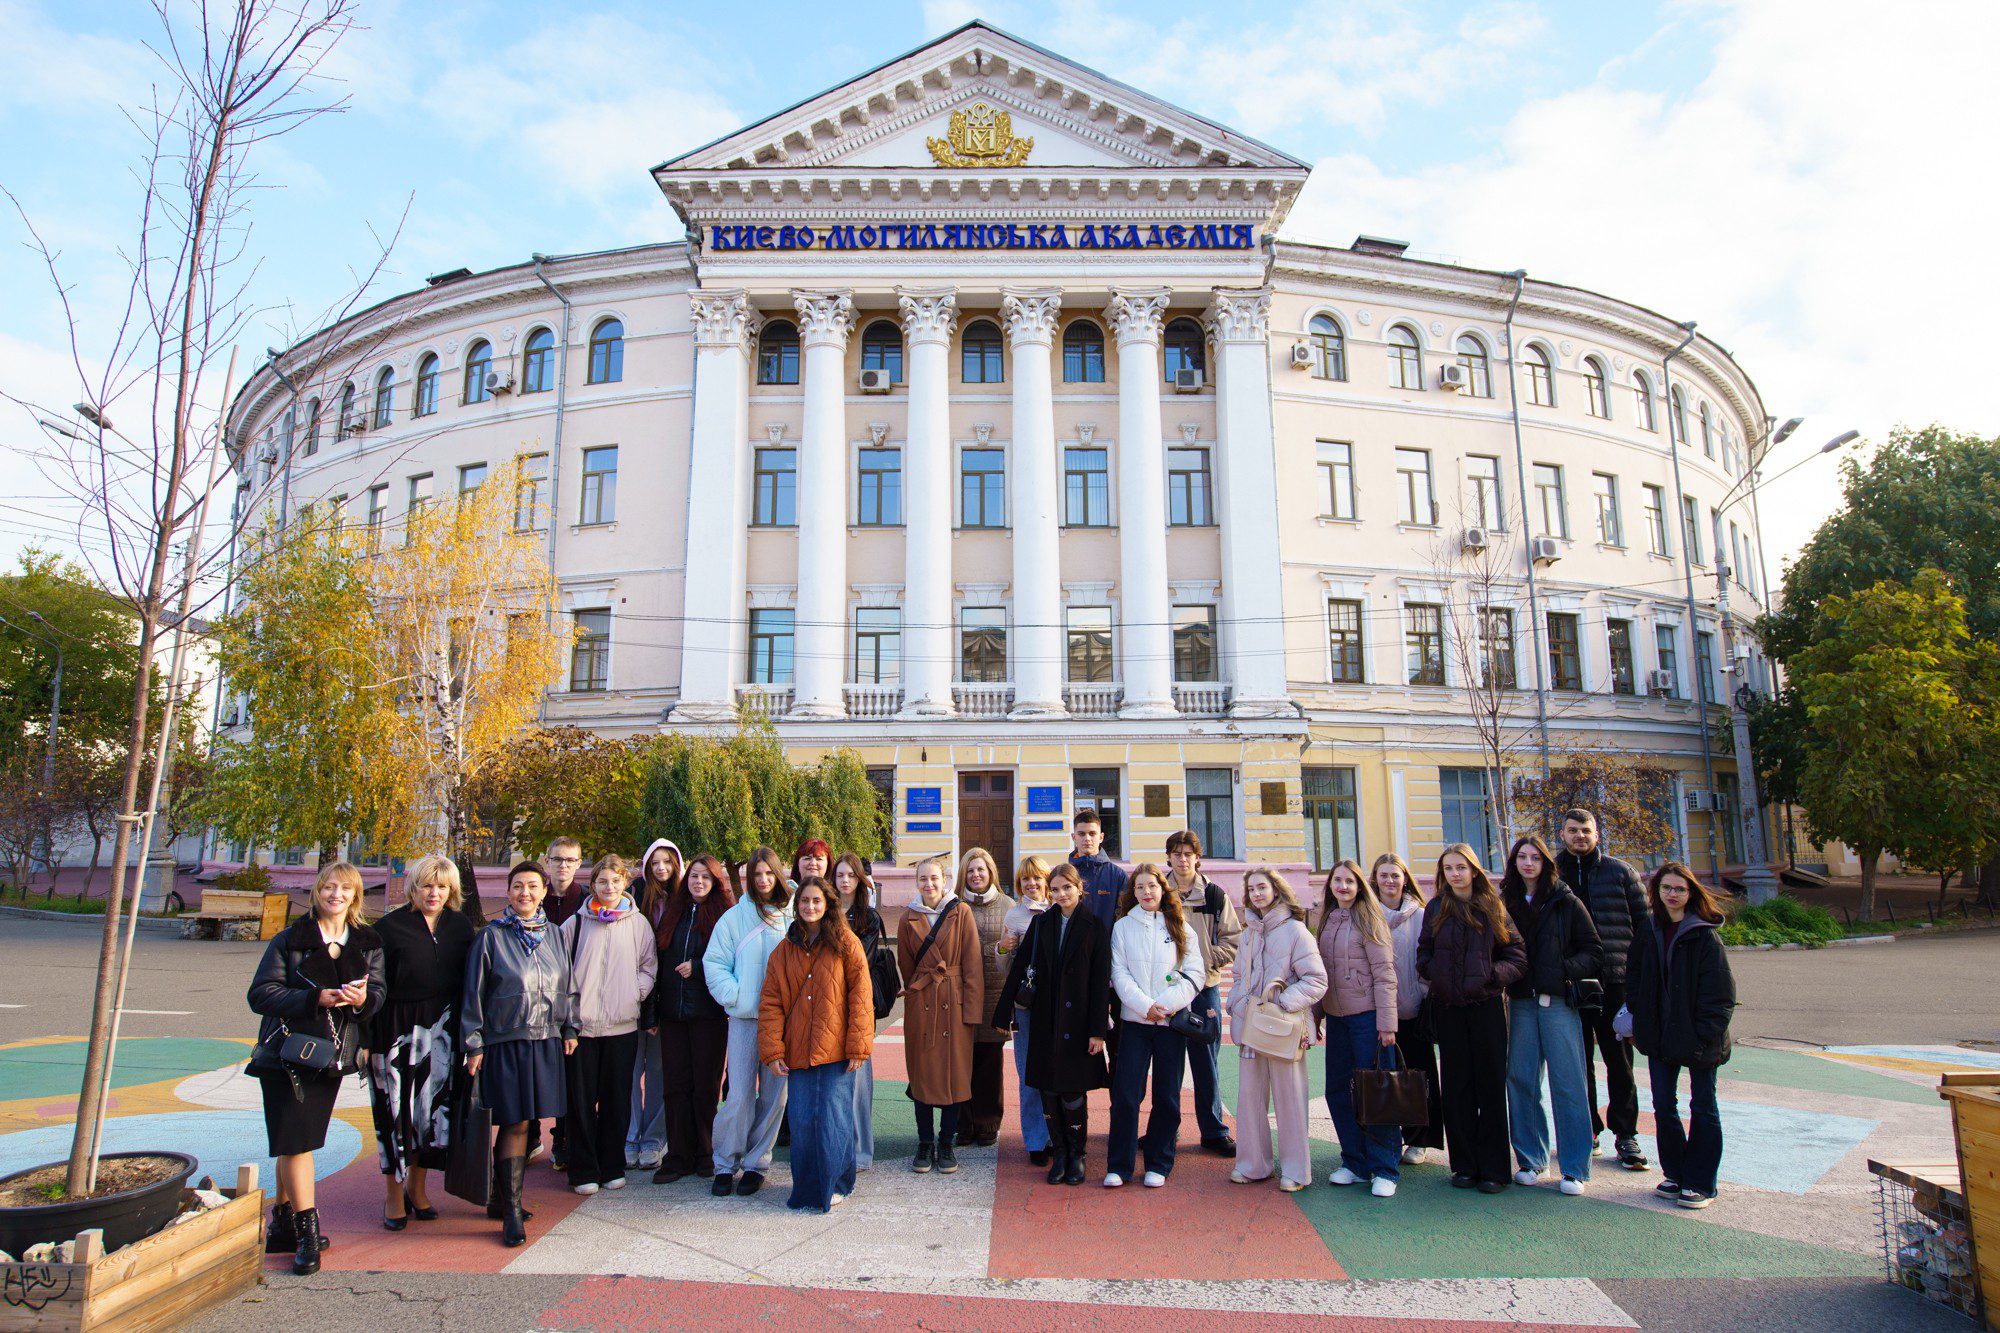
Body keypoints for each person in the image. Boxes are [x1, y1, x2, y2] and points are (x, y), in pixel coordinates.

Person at [248, 861, 385, 1273]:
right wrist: (314, 999)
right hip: (287, 1055)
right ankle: (307, 1235)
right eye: (328, 887)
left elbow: (378, 993)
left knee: (296, 1140)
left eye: (344, 889)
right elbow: (261, 994)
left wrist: (361, 1000)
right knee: (296, 1143)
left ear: (355, 895)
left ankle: (282, 1224)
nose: (335, 895)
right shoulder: (291, 940)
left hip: (330, 1056)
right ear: (316, 892)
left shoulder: (367, 941)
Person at [463, 860, 577, 1247]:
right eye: (517, 886)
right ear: (508, 892)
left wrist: (570, 1026)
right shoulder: (491, 936)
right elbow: (473, 993)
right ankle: (510, 1211)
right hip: (506, 1039)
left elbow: (570, 985)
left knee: (529, 1122)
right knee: (512, 1121)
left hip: (545, 1038)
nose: (524, 893)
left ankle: (502, 1198)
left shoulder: (557, 935)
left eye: (532, 886)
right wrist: (474, 1041)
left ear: (544, 891)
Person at [1619, 861, 1736, 1209]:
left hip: (1700, 1038)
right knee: (1663, 1106)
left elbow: (1721, 993)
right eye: (1667, 888)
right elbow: (1635, 978)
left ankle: (1700, 1182)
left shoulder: (1703, 934)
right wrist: (1641, 1021)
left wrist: (1704, 1034)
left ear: (1690, 893)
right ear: (1656, 892)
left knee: (1702, 1106)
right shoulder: (1649, 930)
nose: (1673, 894)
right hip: (1659, 1037)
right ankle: (1675, 1173)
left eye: (1679, 889)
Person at [368, 854, 476, 1231]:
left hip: (443, 1032)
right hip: (396, 1030)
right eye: (427, 885)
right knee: (395, 1114)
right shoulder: (388, 928)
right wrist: (367, 1040)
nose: (434, 893)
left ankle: (417, 1187)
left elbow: (471, 984)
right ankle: (393, 1194)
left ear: (452, 891)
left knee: (430, 1116)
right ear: (413, 888)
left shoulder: (460, 927)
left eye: (442, 886)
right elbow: (372, 989)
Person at [758, 875, 874, 1212]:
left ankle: (838, 1182)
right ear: (797, 906)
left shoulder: (846, 944)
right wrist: (773, 1050)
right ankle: (807, 1187)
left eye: (816, 901)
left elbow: (861, 998)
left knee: (834, 1119)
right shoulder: (783, 950)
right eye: (805, 901)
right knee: (803, 1121)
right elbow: (771, 1002)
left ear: (828, 906)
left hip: (836, 1049)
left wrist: (858, 1046)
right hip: (797, 1050)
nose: (810, 907)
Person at [1417, 844, 1526, 1195]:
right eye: (1448, 868)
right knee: (1457, 1088)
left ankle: (1494, 1169)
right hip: (1449, 1010)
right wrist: (1434, 972)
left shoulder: (1493, 906)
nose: (1455, 874)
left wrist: (1491, 977)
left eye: (1461, 867)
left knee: (1490, 1088)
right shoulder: (1435, 908)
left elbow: (1517, 955)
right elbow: (1424, 952)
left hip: (1486, 1009)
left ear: (1474, 871)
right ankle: (1463, 1166)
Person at [993, 861, 1110, 1185]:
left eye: (1066, 888)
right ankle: (1059, 1153)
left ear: (1078, 888)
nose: (1060, 894)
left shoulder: (1094, 926)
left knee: (1072, 1091)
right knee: (1048, 1088)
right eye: (1055, 889)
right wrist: (1004, 1011)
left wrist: (1097, 1030)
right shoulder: (1042, 924)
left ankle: (1077, 1154)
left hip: (1077, 1020)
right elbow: (1019, 971)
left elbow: (1101, 982)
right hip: (1045, 1018)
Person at [1500, 834, 1604, 1197]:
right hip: (1522, 1003)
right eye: (1521, 857)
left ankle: (1575, 1168)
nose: (1528, 863)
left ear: (1545, 862)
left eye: (1535, 858)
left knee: (1568, 1083)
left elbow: (1593, 950)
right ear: (1514, 863)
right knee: (1522, 1080)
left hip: (1558, 1002)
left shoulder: (1565, 900)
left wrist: (1562, 970)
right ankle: (1531, 1159)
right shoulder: (1506, 902)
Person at [1554, 808, 1652, 1171]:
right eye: (1573, 830)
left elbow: (1643, 929)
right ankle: (1588, 1130)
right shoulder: (1553, 873)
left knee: (1620, 1062)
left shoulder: (1620, 872)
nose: (1580, 836)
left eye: (1586, 830)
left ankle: (1626, 1135)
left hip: (1615, 981)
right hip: (1570, 982)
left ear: (1597, 835)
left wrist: (1638, 980)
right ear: (1562, 834)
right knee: (1578, 1063)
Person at [558, 854, 657, 1195]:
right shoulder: (576, 923)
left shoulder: (638, 923)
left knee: (617, 1099)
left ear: (625, 883)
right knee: (580, 1101)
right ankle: (584, 1168)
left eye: (615, 881)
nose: (609, 887)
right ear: (594, 884)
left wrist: (634, 994)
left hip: (621, 1026)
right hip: (582, 1029)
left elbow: (649, 966)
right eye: (602, 881)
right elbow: (561, 970)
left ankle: (612, 1164)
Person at [1226, 866, 1326, 1192]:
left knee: (1290, 1098)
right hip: (1252, 1025)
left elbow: (1316, 980)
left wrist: (1282, 1003)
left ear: (1276, 890)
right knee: (1250, 1098)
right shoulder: (1250, 933)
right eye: (1251, 889)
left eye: (1262, 887)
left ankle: (1296, 1171)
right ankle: (1254, 1165)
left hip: (1284, 1027)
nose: (1256, 893)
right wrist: (1237, 1004)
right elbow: (1240, 976)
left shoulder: (1297, 931)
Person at [1105, 862, 1203, 1188]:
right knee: (1126, 1095)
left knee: (1167, 1096)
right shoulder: (1122, 928)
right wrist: (1146, 1006)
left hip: (1171, 1025)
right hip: (1135, 1022)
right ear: (1132, 893)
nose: (1147, 892)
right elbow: (1119, 975)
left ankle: (1158, 1163)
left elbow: (1194, 975)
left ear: (1163, 890)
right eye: (1140, 887)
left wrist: (1166, 1006)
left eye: (1153, 886)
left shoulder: (1180, 928)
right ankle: (1119, 1166)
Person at [703, 845, 793, 1196]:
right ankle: (726, 1162)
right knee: (739, 1095)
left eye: (769, 873)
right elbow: (715, 964)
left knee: (775, 1097)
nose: (764, 880)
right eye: (757, 875)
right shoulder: (733, 918)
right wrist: (736, 997)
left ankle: (757, 1163)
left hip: (781, 1023)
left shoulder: (790, 916)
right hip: (744, 1021)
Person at [1313, 859, 1401, 1197]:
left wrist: (1387, 1024)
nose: (1343, 887)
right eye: (1337, 881)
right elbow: (1322, 975)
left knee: (1376, 1092)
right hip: (1337, 1019)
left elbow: (1385, 974)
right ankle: (1354, 1161)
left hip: (1368, 1019)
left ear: (1359, 885)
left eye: (1349, 881)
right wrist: (1317, 1017)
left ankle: (1384, 1167)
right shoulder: (1326, 920)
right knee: (1338, 1090)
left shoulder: (1369, 919)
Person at [651, 854, 736, 1184]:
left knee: (705, 1086)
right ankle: (677, 1156)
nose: (698, 882)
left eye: (705, 877)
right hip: (673, 1013)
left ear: (715, 882)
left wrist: (698, 968)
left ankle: (705, 1153)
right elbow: (658, 958)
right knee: (675, 1087)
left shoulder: (722, 917)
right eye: (694, 876)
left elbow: (729, 961)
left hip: (708, 1014)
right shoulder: (674, 913)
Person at [898, 854, 983, 1173]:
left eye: (934, 878)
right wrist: (917, 992)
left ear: (945, 880)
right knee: (921, 1074)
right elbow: (906, 964)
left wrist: (970, 1011)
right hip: (923, 1003)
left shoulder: (960, 911)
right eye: (923, 879)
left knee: (955, 1075)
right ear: (916, 882)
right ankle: (924, 1142)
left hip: (955, 1002)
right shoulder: (908, 917)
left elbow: (973, 964)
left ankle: (946, 1143)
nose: (929, 884)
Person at [1164, 829, 1243, 1156]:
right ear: (1167, 856)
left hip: (1204, 990)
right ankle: (1165, 1131)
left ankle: (1213, 1131)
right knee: (1167, 1064)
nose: (1182, 860)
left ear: (1198, 857)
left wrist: (1205, 961)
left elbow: (1233, 940)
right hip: (1167, 989)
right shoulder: (1158, 892)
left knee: (1206, 1063)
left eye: (1188, 854)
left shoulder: (1214, 896)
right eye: (1176, 853)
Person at [1375, 853, 1442, 1165]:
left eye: (1395, 875)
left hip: (1414, 1007)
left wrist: (1424, 992)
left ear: (1405, 878)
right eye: (1383, 875)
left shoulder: (1421, 914)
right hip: (1379, 1010)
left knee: (1419, 1074)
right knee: (1385, 1077)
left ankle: (1419, 1139)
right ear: (1374, 879)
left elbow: (1429, 954)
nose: (1389, 881)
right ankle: (1385, 1136)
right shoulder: (1368, 913)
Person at [627, 838, 683, 1172]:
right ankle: (630, 1134)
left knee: (660, 1070)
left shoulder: (683, 899)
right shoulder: (636, 896)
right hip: (633, 995)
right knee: (631, 1071)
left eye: (667, 862)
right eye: (655, 863)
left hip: (666, 997)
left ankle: (654, 1137)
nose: (661, 869)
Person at [955, 846, 1016, 1147]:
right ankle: (963, 1124)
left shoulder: (1008, 905)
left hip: (994, 996)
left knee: (990, 1064)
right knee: (961, 1063)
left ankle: (988, 1122)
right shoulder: (953, 906)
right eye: (970, 870)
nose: (976, 875)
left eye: (981, 869)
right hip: (962, 999)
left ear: (991, 871)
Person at [833, 853, 888, 1172]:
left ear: (859, 880)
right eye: (839, 875)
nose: (844, 881)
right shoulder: (822, 910)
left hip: (856, 1003)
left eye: (850, 876)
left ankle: (862, 1151)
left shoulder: (869, 917)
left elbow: (860, 963)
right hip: (825, 1003)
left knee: (859, 1076)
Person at [998, 856, 1052, 1165]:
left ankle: (1057, 1133)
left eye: (1036, 878)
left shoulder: (1060, 909)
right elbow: (1005, 967)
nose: (1031, 884)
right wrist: (1004, 948)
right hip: (1027, 1006)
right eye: (1025, 880)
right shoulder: (1015, 915)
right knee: (1028, 1071)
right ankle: (1035, 1139)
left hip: (1057, 1006)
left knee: (1056, 1070)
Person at [537, 835, 587, 1170]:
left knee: (571, 1074)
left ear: (579, 864)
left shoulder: (584, 900)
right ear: (547, 861)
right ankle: (527, 1137)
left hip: (573, 998)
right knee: (535, 1072)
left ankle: (564, 1139)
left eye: (570, 860)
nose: (563, 866)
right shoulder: (534, 896)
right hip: (536, 998)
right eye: (557, 859)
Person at [1069, 807, 1127, 930]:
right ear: (1074, 837)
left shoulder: (1118, 876)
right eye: (1081, 834)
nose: (1087, 839)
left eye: (1092, 833)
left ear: (1101, 837)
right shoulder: (1065, 875)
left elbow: (1125, 917)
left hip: (1107, 946)